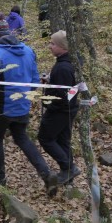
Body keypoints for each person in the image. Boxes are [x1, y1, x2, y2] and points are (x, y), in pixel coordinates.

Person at [0, 22, 59, 194]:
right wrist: (26, 98)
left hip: (1, 106)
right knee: (22, 138)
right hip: (22, 104)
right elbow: (35, 80)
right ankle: (46, 173)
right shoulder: (29, 51)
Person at [39, 30, 81, 185]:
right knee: (63, 141)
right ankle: (68, 175)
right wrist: (50, 80)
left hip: (60, 111)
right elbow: (67, 88)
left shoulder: (63, 67)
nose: (50, 46)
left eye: (53, 44)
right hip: (66, 110)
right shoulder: (67, 63)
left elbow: (64, 94)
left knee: (45, 138)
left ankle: (68, 168)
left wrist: (51, 102)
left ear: (63, 47)